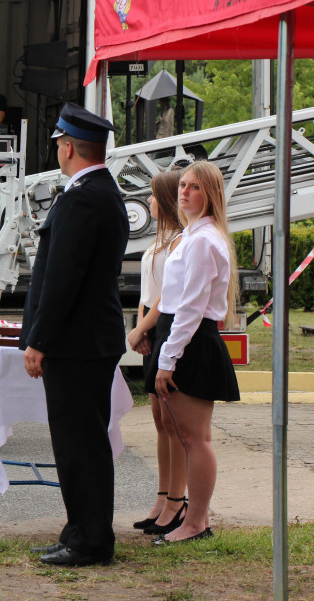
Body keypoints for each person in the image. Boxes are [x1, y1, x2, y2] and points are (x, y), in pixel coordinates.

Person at [20, 103, 128, 567]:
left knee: (79, 443)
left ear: (67, 147)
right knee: (81, 441)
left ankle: (90, 541)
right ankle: (81, 530)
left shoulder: (85, 196)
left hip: (78, 343)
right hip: (85, 340)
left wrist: (39, 340)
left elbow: (64, 279)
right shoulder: (95, 191)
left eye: (59, 145)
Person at [148, 160, 240, 545]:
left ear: (211, 194)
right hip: (182, 335)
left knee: (194, 438)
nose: (184, 191)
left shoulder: (203, 240)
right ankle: (190, 517)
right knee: (186, 435)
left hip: (191, 339)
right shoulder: (193, 235)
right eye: (182, 185)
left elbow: (190, 306)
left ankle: (196, 521)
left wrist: (168, 359)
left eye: (195, 187)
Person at [125, 169, 187, 536]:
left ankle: (178, 501)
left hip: (166, 327)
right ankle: (163, 497)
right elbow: (149, 292)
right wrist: (142, 326)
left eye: (151, 195)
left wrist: (141, 328)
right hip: (153, 327)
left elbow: (169, 296)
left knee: (176, 424)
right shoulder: (159, 238)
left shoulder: (181, 240)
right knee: (161, 423)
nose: (147, 201)